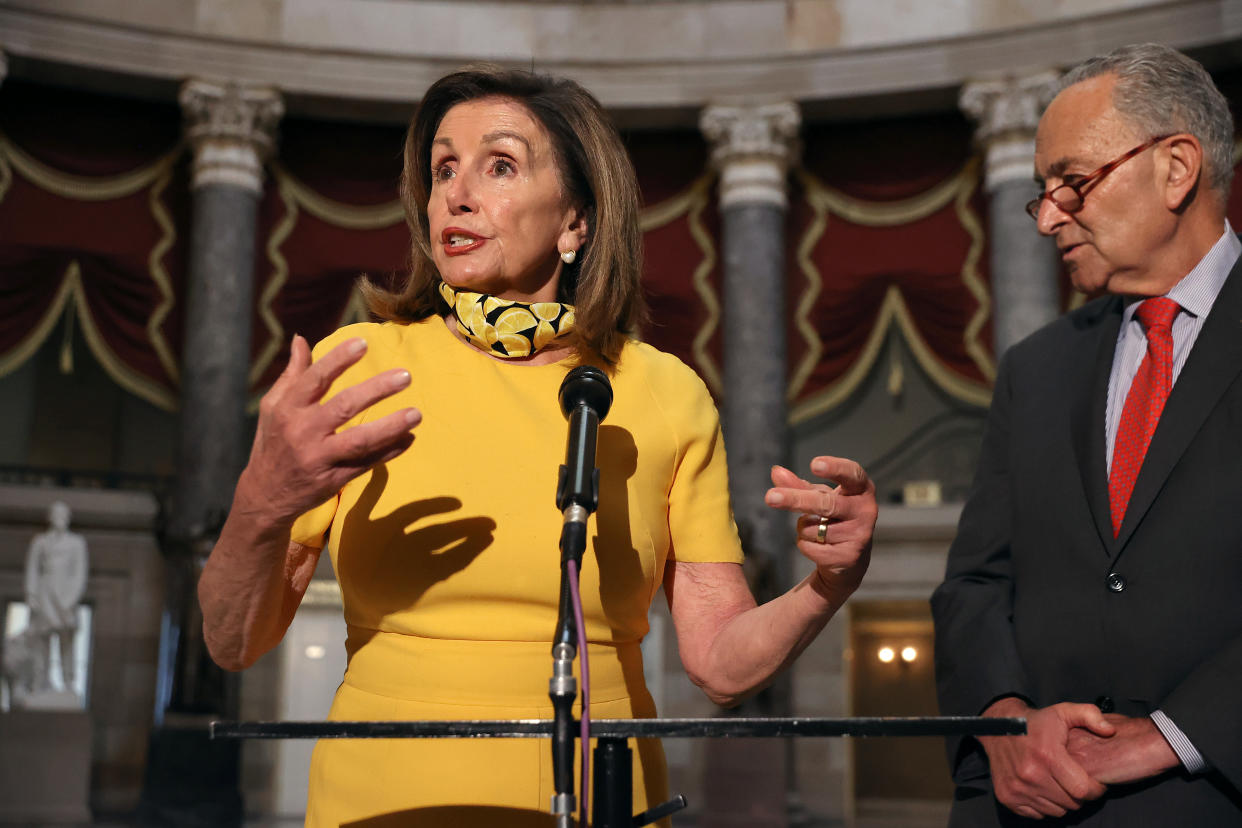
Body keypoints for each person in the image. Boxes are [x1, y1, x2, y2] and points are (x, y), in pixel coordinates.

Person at [198, 66, 877, 826]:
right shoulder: (360, 364)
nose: (456, 193)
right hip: (383, 801)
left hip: (599, 795)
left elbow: (720, 665)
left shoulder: (665, 390)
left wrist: (827, 587)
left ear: (575, 223)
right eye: (442, 169)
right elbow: (232, 642)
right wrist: (261, 499)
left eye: (499, 164)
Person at [932, 43, 1242, 826]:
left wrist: (1175, 736)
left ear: (1177, 168)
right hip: (1029, 808)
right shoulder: (1034, 369)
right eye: (1042, 193)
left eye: (1073, 182)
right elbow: (974, 585)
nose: (1047, 217)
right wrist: (1002, 723)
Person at [24, 500, 88, 696]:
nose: (59, 518)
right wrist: (31, 594)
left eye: (63, 514)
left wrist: (70, 600)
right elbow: (32, 570)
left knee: (66, 643)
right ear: (50, 517)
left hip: (66, 598)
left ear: (68, 518)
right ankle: (39, 680)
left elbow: (80, 574)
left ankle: (68, 681)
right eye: (56, 514)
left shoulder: (77, 543)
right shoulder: (40, 542)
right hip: (45, 595)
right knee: (41, 641)